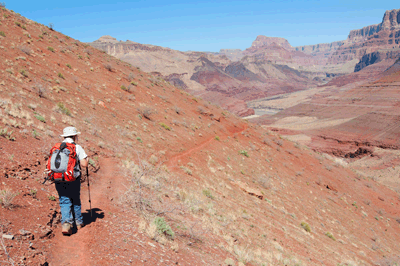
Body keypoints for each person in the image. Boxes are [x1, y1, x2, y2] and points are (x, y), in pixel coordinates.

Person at [55, 126, 88, 235]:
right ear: (75, 136)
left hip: (58, 177)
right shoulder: (76, 147)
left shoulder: (57, 147)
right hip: (73, 178)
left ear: (64, 136)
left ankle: (66, 224)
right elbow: (84, 164)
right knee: (75, 199)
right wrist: (86, 159)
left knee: (64, 200)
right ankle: (78, 222)